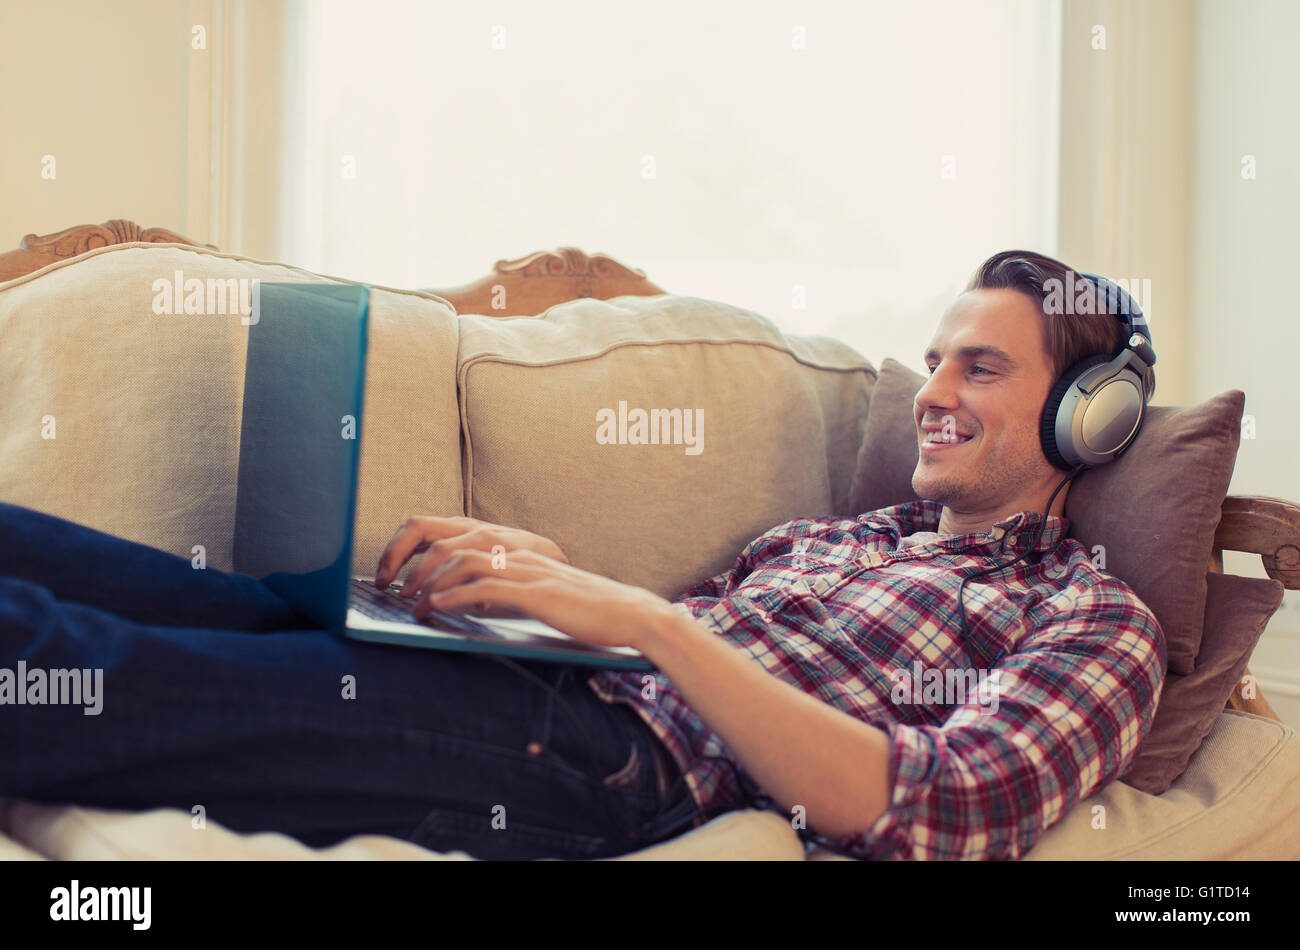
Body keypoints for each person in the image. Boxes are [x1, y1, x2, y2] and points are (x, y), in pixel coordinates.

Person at [0, 250, 1165, 860]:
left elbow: (934, 813)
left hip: (593, 760)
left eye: (982, 369)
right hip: (539, 674)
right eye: (936, 357)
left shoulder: (1092, 620)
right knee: (46, 555)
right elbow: (689, 632)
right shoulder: (847, 538)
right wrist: (541, 572)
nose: (934, 394)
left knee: (79, 664)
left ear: (1089, 416)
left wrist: (648, 624)